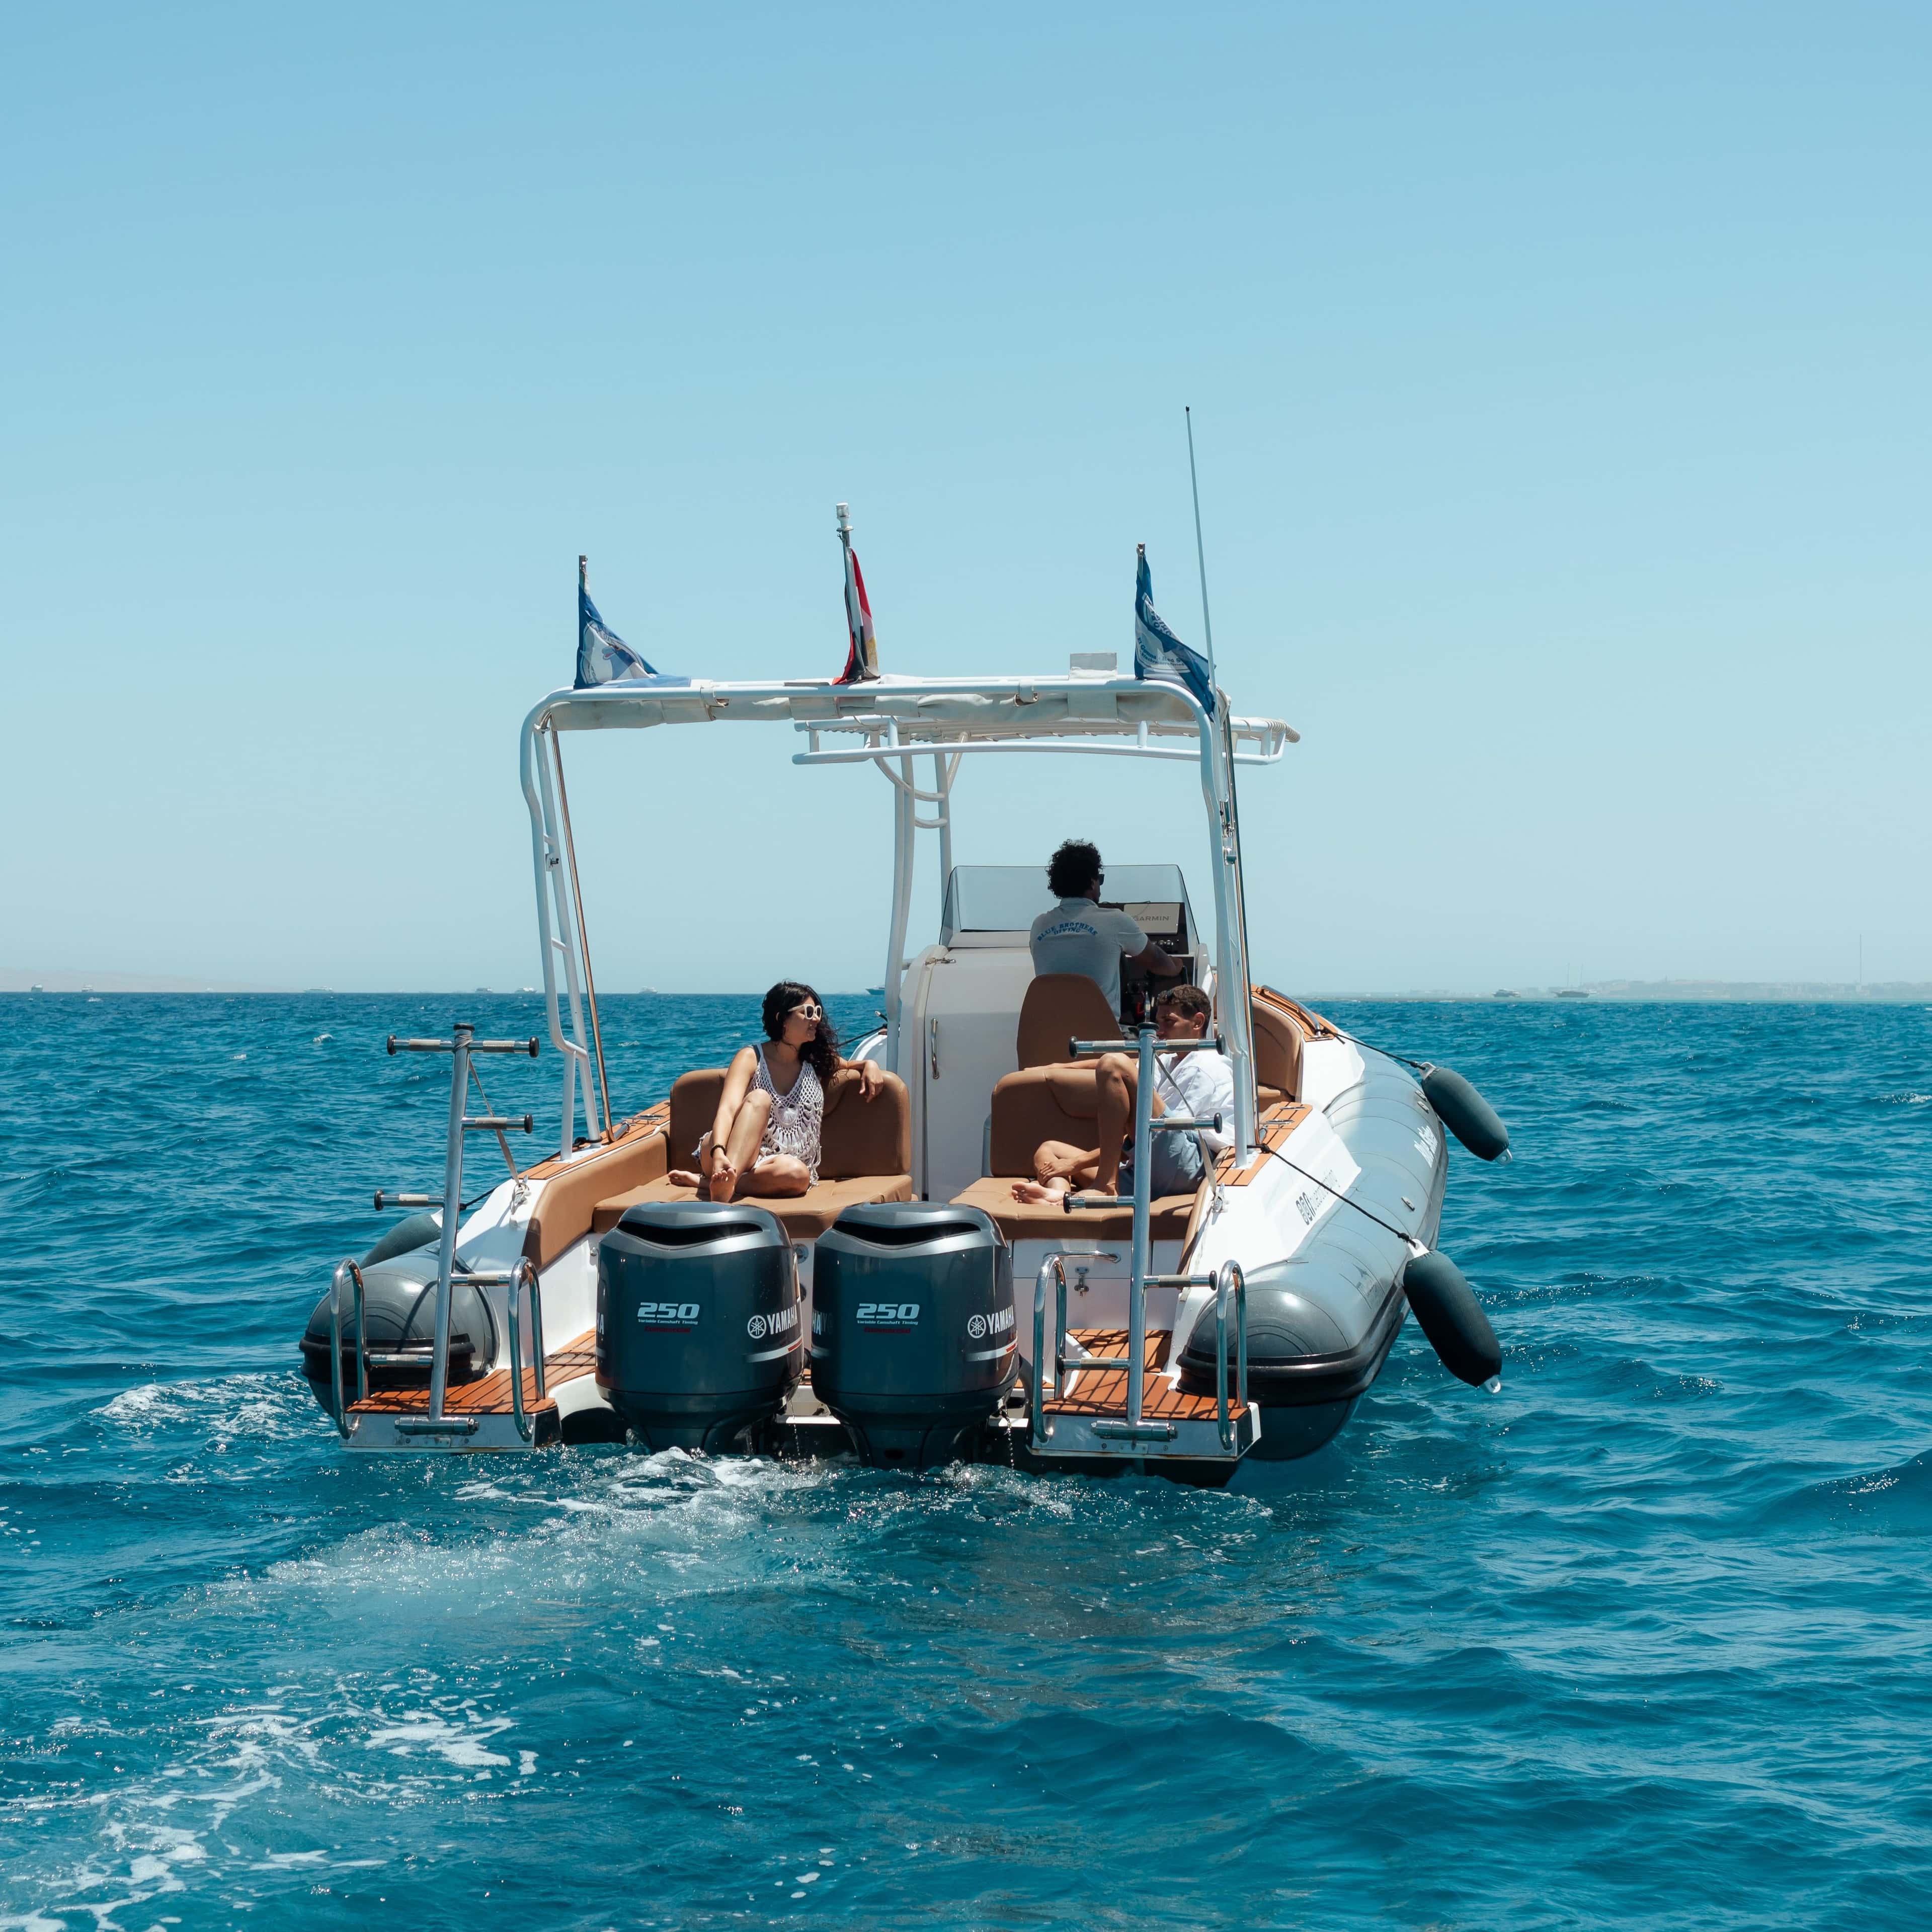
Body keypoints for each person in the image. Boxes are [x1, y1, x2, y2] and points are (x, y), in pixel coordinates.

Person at [1012, 984, 1233, 1204]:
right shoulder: (1170, 1058)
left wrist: (1076, 1163)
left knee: (1114, 1063)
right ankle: (1057, 1196)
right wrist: (1052, 1068)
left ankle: (1105, 1185)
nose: (1160, 1031)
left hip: (1188, 1165)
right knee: (1049, 1150)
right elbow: (1118, 1067)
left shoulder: (1204, 1065)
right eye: (1159, 1022)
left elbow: (1162, 1131)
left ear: (1198, 1022)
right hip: (1150, 1164)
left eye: (1169, 1022)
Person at [667, 981, 884, 1203]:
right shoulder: (751, 1057)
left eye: (818, 1011)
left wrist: (871, 1065)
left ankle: (713, 1184)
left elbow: (850, 1065)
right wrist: (719, 1153)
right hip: (724, 1148)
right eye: (808, 1012)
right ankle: (723, 1187)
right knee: (760, 1098)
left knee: (799, 1176)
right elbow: (728, 1109)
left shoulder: (815, 1060)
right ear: (782, 1019)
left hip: (774, 1165)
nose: (816, 1018)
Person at [1028, 839, 1183, 1014]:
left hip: (1047, 1033)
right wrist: (1178, 965)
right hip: (1099, 1035)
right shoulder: (1115, 921)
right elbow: (1158, 961)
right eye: (1100, 879)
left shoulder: (1039, 926)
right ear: (1092, 882)